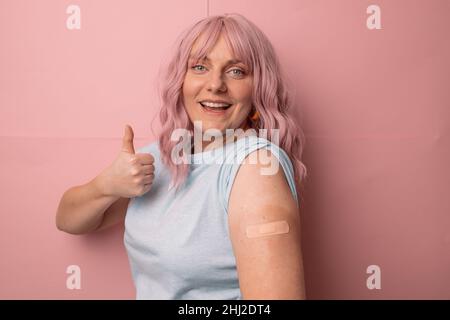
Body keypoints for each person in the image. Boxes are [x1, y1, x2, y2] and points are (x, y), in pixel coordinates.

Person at [56, 13, 308, 300]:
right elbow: (68, 220)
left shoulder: (254, 169)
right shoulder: (162, 156)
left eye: (236, 71)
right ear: (181, 80)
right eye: (200, 67)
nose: (215, 85)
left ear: (258, 86)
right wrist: (105, 185)